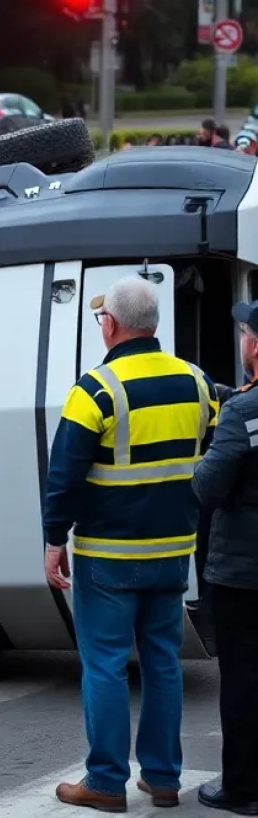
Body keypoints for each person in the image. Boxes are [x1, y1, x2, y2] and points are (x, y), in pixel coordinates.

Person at [43, 276, 219, 812]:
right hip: (171, 553)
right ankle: (163, 778)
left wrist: (54, 540)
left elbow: (65, 475)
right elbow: (210, 453)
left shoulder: (95, 389)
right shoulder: (198, 382)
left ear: (111, 325)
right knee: (163, 663)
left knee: (105, 666)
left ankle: (105, 781)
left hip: (108, 558)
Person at [191, 300, 258, 815]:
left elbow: (208, 488)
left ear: (255, 344)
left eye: (243, 331)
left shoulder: (242, 411)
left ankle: (241, 787)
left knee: (241, 679)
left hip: (244, 572)